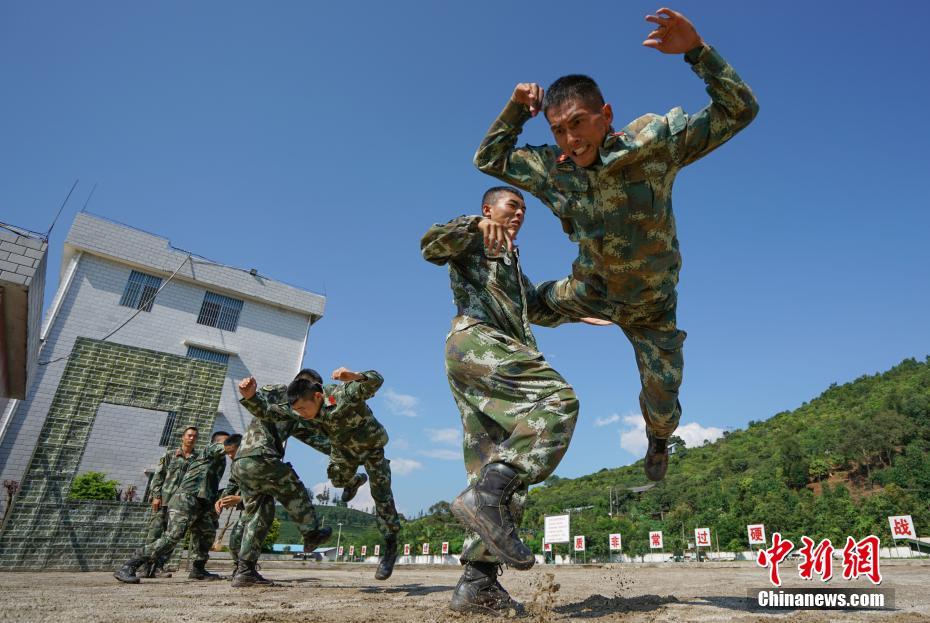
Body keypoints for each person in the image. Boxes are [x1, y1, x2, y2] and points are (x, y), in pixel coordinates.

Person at [473, 7, 758, 482]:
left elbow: (740, 110)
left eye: (579, 123)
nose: (571, 138)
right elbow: (488, 157)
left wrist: (697, 52)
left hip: (651, 306)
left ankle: (659, 439)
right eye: (559, 129)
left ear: (605, 115)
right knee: (519, 302)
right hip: (591, 291)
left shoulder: (654, 145)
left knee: (664, 396)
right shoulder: (553, 169)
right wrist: (513, 109)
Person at [422, 186, 600, 615]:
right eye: (511, 205)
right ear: (489, 209)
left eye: (523, 208)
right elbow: (430, 245)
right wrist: (473, 224)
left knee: (494, 467)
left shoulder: (509, 258)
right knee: (558, 400)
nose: (519, 212)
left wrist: (580, 308)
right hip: (479, 343)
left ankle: (477, 585)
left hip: (484, 356)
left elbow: (534, 303)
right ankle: (486, 495)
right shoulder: (474, 236)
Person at [286, 367, 401, 580]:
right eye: (297, 411)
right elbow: (270, 410)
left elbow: (377, 380)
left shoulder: (342, 395)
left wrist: (356, 377)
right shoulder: (303, 411)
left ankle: (390, 546)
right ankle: (355, 481)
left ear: (318, 395)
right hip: (344, 451)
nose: (301, 414)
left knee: (382, 495)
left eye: (303, 409)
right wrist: (250, 397)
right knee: (337, 479)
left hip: (371, 447)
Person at [229, 369, 334, 587]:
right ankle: (311, 533)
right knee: (291, 485)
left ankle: (245, 571)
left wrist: (348, 452)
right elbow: (260, 406)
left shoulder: (298, 414)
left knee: (260, 515)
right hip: (259, 457)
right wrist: (249, 395)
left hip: (246, 464)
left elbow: (319, 441)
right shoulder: (278, 391)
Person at [114, 432, 241, 583]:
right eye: (228, 445)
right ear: (219, 444)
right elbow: (226, 446)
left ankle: (198, 569)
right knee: (173, 535)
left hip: (203, 502)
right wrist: (241, 443)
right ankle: (129, 565)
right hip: (186, 498)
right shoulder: (209, 451)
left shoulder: (223, 461)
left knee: (206, 534)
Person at [142, 425, 198, 577]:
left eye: (194, 436)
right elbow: (158, 476)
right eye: (189, 435)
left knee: (172, 537)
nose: (191, 438)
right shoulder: (170, 455)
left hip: (181, 505)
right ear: (183, 437)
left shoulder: (197, 459)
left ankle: (159, 567)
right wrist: (156, 495)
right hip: (164, 501)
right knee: (154, 534)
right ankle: (145, 567)